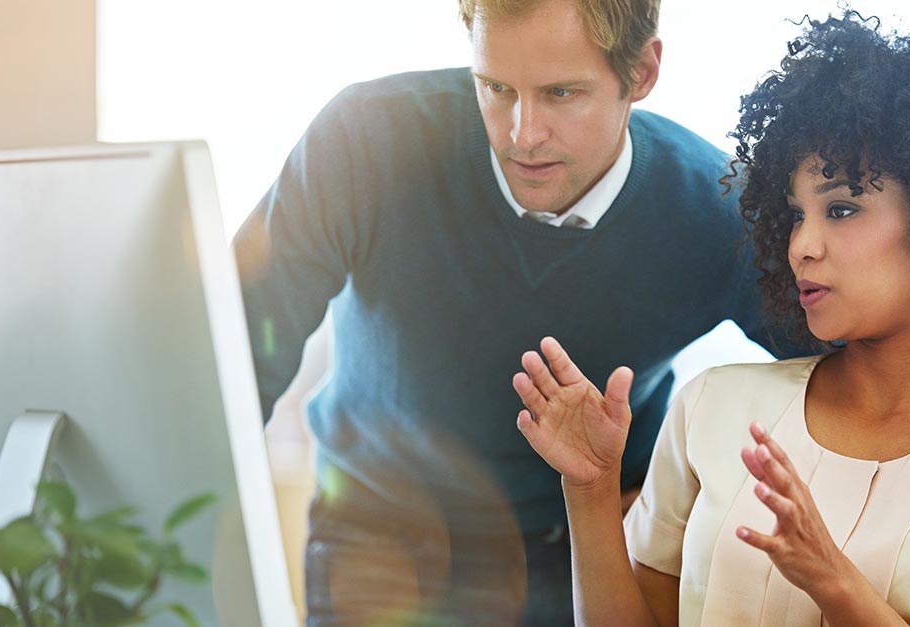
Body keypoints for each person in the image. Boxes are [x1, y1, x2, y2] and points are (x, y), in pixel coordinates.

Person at [512, 11, 910, 626]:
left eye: (843, 209)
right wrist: (590, 490)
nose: (802, 244)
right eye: (795, 214)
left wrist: (832, 579)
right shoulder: (714, 406)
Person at [233, 0, 792, 624]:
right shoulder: (365, 138)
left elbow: (865, 362)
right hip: (378, 542)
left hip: (584, 552)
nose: (522, 134)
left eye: (560, 93)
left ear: (641, 72)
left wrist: (696, 492)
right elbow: (236, 356)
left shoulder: (717, 210)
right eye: (496, 88)